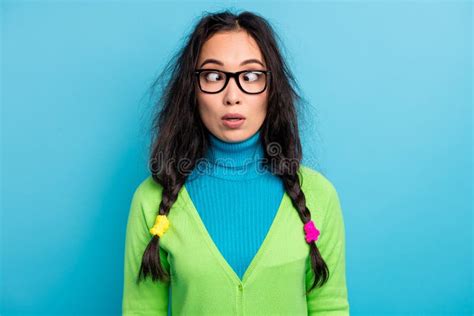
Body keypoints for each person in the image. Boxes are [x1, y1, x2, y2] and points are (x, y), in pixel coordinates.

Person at [122, 9, 349, 315]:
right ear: (192, 89)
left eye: (251, 76)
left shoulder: (319, 196)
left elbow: (329, 307)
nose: (232, 96)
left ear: (272, 89)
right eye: (214, 76)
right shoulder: (150, 200)